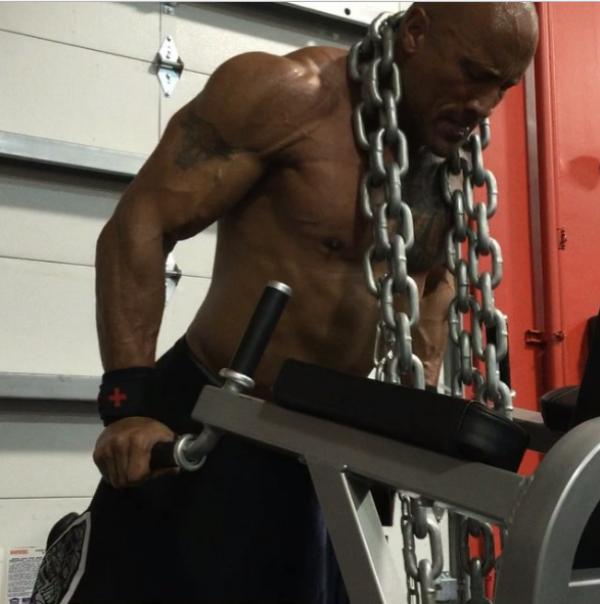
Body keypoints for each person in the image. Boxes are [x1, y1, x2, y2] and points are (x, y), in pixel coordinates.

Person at [33, 3, 538, 604]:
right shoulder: (288, 96)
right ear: (417, 32)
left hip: (323, 444)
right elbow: (140, 223)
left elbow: (433, 286)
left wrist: (419, 406)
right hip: (211, 419)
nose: (484, 104)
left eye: (503, 87)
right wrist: (128, 404)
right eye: (472, 73)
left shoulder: (447, 155)